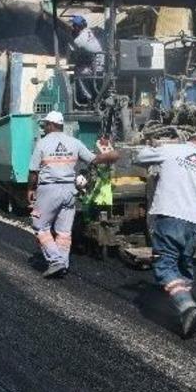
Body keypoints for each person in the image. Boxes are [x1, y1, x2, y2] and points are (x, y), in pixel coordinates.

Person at [134, 131, 196, 338]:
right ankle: (185, 310)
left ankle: (186, 306)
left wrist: (154, 145)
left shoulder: (172, 150)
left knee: (164, 264)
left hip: (170, 217)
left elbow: (141, 157)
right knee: (184, 264)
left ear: (190, 140)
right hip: (195, 224)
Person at [27, 111, 119, 278]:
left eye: (45, 125)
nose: (44, 128)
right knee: (63, 231)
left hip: (49, 189)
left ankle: (56, 261)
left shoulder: (42, 143)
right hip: (70, 191)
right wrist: (110, 156)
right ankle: (63, 263)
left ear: (50, 125)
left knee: (40, 225)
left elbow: (33, 172)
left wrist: (30, 189)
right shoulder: (75, 143)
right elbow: (94, 160)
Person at [70, 15, 105, 103]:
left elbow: (75, 54)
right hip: (99, 60)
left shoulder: (79, 40)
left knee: (79, 72)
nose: (72, 27)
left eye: (74, 26)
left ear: (78, 27)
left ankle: (88, 98)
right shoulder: (89, 31)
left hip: (96, 66)